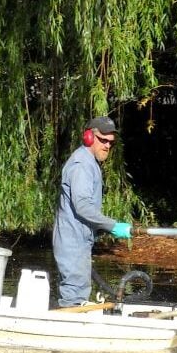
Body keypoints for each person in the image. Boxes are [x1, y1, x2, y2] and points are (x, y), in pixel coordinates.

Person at [53, 115, 132, 307]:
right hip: (72, 240)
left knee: (79, 292)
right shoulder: (82, 165)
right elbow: (82, 206)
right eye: (102, 140)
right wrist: (113, 226)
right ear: (88, 137)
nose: (106, 146)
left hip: (79, 239)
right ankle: (68, 330)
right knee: (74, 296)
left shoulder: (90, 163)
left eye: (110, 142)